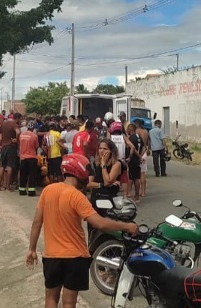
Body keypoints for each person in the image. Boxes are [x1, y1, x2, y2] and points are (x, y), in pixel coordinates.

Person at [25, 154, 138, 308]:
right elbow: (100, 224)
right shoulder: (77, 197)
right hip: (75, 257)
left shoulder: (47, 191)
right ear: (79, 172)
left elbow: (37, 222)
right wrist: (127, 226)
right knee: (69, 302)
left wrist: (32, 249)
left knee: (51, 299)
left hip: (51, 256)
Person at [87, 139, 122, 208]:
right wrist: (101, 185)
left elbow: (107, 181)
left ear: (111, 151)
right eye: (100, 148)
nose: (102, 151)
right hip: (96, 196)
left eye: (105, 149)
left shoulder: (116, 164)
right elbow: (88, 184)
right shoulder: (94, 164)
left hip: (109, 196)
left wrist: (103, 164)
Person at [0, 112, 21, 191]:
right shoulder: (14, 124)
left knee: (2, 166)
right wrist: (16, 139)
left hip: (3, 146)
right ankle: (7, 186)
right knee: (10, 166)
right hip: (11, 147)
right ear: (17, 118)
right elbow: (18, 132)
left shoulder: (4, 123)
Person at [19, 121, 39, 196]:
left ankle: (22, 190)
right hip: (31, 157)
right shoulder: (34, 136)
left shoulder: (21, 135)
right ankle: (31, 191)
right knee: (32, 175)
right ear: (33, 127)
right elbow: (36, 146)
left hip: (23, 158)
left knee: (23, 175)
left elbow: (20, 144)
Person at [126, 124, 145, 202]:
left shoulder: (131, 138)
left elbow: (132, 149)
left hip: (133, 160)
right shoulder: (139, 137)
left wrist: (137, 156)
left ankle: (130, 194)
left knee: (131, 178)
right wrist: (141, 155)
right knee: (137, 178)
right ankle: (136, 195)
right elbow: (144, 147)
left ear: (130, 130)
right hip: (138, 160)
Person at [134, 119, 149, 196]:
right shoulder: (146, 131)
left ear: (137, 124)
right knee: (143, 173)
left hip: (139, 152)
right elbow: (148, 143)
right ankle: (143, 192)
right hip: (145, 152)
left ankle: (138, 191)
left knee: (137, 174)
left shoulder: (137, 131)